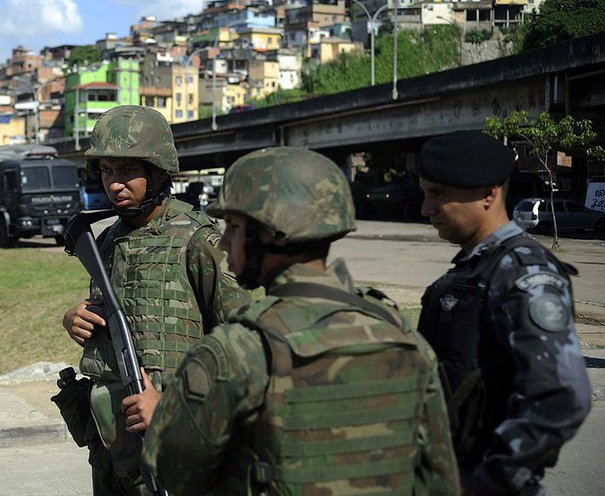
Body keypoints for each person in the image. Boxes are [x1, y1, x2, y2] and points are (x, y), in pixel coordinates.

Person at [144, 147, 460, 496]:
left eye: (233, 226)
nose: (224, 241)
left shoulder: (236, 350)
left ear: (270, 234)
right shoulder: (399, 334)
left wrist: (163, 414)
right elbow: (439, 479)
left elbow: (174, 473)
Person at [61, 105, 252, 495]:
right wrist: (76, 317)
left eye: (128, 171)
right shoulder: (107, 240)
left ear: (159, 172)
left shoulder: (199, 241)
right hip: (113, 443)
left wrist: (172, 407)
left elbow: (244, 349)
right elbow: (122, 312)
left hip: (176, 439)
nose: (115, 185)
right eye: (107, 171)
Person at [416, 130, 591, 495]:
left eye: (439, 195)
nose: (426, 209)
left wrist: (493, 480)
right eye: (425, 194)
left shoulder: (522, 271)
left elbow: (562, 395)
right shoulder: (476, 267)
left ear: (488, 193)